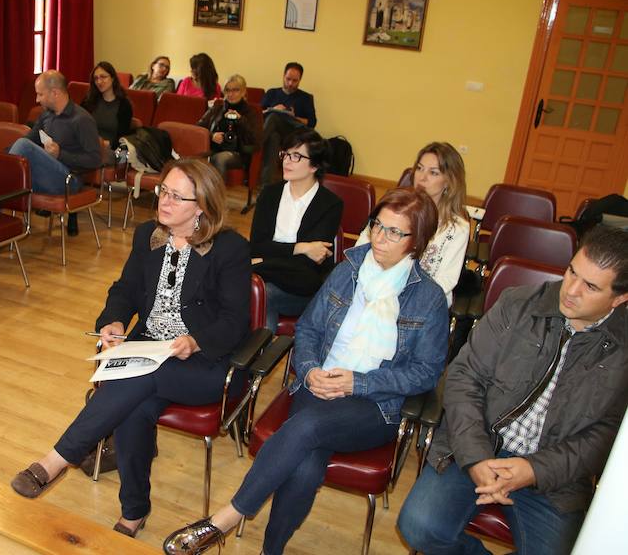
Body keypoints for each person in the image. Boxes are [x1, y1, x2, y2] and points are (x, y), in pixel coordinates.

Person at [163, 187, 448, 555]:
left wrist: (357, 382)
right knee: (303, 467)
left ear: (417, 241)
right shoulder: (348, 269)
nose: (380, 237)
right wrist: (311, 369)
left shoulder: (429, 298)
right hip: (318, 384)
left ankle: (224, 519)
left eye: (395, 232)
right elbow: (309, 328)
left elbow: (426, 373)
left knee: (308, 428)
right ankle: (271, 551)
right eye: (378, 225)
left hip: (374, 404)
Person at [9, 158, 251, 539]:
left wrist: (195, 341)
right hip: (150, 353)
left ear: (202, 207)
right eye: (163, 191)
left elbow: (236, 322)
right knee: (134, 408)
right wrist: (115, 321)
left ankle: (56, 460)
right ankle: (135, 511)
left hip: (205, 364)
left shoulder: (229, 249)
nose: (164, 202)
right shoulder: (149, 236)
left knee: (138, 377)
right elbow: (124, 290)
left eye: (176, 196)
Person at [398, 224, 628, 555]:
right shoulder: (518, 304)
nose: (571, 290)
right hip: (480, 445)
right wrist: (476, 457)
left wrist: (534, 470)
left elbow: (607, 436)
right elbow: (464, 377)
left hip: (554, 477)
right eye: (571, 271)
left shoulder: (623, 351)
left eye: (590, 286)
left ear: (620, 298)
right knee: (420, 527)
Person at [250, 129, 343, 332]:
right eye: (285, 154)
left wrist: (262, 262)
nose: (286, 161)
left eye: (296, 156)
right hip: (264, 278)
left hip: (303, 290)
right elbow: (256, 246)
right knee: (258, 290)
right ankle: (254, 360)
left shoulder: (330, 204)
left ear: (315, 165)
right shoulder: (270, 194)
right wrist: (300, 248)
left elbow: (309, 264)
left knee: (262, 292)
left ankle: (250, 360)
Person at [356, 142, 468, 306]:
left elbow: (446, 281)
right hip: (374, 289)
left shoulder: (457, 228)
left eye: (433, 173)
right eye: (420, 168)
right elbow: (359, 251)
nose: (422, 177)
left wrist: (400, 296)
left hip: (421, 303)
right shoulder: (392, 208)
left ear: (449, 182)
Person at [9, 70, 101, 236]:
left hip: (69, 181)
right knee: (20, 150)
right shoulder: (46, 116)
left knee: (21, 149)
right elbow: (29, 141)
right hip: (47, 175)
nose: (37, 100)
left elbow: (95, 160)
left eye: (40, 95)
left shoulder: (82, 119)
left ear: (55, 93)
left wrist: (60, 155)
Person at [258, 62, 317, 188]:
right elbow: (258, 114)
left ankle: (256, 143)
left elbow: (311, 123)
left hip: (293, 133)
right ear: (283, 76)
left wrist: (293, 117)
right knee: (273, 136)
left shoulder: (305, 98)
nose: (290, 83)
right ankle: (266, 187)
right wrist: (273, 109)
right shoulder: (272, 93)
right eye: (288, 79)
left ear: (300, 80)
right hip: (274, 131)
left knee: (275, 117)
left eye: (295, 81)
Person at [197, 74, 261, 178]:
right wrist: (212, 135)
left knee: (220, 159)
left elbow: (256, 139)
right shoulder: (217, 107)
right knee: (194, 155)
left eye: (235, 90)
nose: (231, 94)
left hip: (238, 153)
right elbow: (198, 128)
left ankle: (217, 194)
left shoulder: (251, 112)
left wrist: (240, 120)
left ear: (244, 91)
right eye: (228, 90)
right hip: (214, 149)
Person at [81, 61, 133, 159]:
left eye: (103, 77)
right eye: (96, 78)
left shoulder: (124, 105)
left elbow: (123, 139)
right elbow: (79, 122)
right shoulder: (89, 100)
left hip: (110, 150)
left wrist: (105, 143)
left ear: (113, 78)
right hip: (87, 144)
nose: (99, 82)